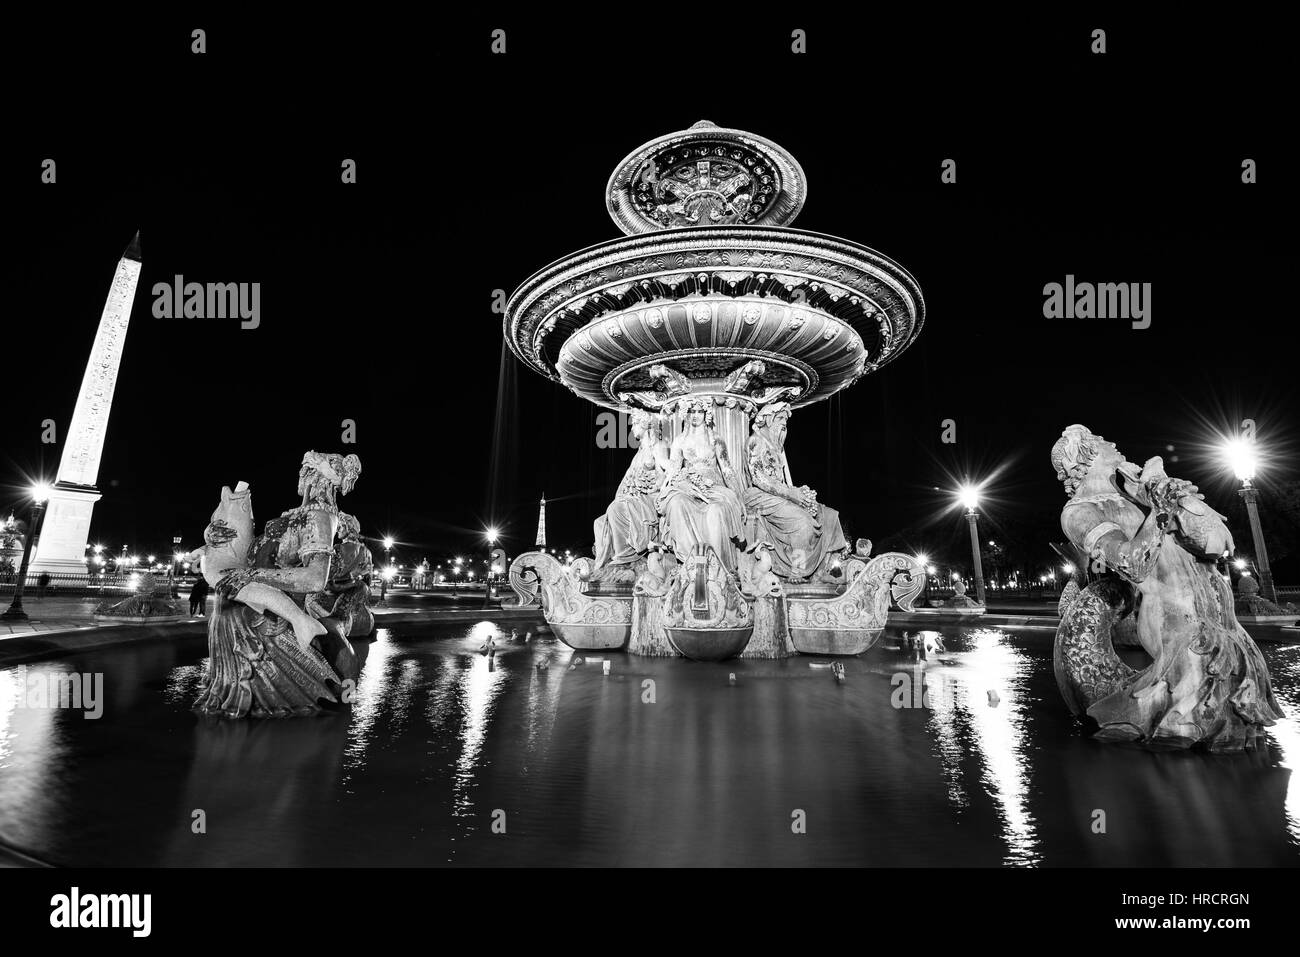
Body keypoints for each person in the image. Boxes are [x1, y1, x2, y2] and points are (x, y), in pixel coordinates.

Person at [1051, 425, 1282, 749]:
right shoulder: (1079, 512)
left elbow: (1219, 545)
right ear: (1084, 454)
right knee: (1192, 744)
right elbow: (1132, 564)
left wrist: (1172, 496)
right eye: (1102, 440)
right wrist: (1160, 508)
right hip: (1180, 632)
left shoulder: (1138, 496)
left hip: (1228, 630)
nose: (1112, 441)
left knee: (1235, 745)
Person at [657, 398, 746, 573]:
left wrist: (738, 495)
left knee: (716, 511)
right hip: (688, 486)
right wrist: (663, 487)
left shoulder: (715, 439)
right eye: (692, 412)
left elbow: (727, 470)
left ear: (706, 414)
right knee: (676, 503)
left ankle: (716, 566)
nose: (695, 416)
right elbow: (674, 470)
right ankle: (689, 562)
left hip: (713, 488)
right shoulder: (679, 441)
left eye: (699, 411)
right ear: (686, 414)